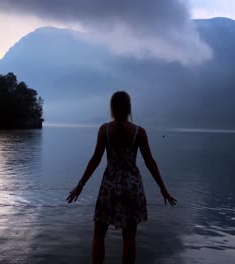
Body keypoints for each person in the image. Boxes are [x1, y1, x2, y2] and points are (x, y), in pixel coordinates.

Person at [66, 91, 177, 264]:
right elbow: (150, 162)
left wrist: (81, 184)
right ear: (128, 108)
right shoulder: (139, 132)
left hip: (109, 185)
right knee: (129, 237)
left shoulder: (105, 130)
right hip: (132, 187)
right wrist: (163, 188)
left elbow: (95, 159)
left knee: (99, 234)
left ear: (112, 107)